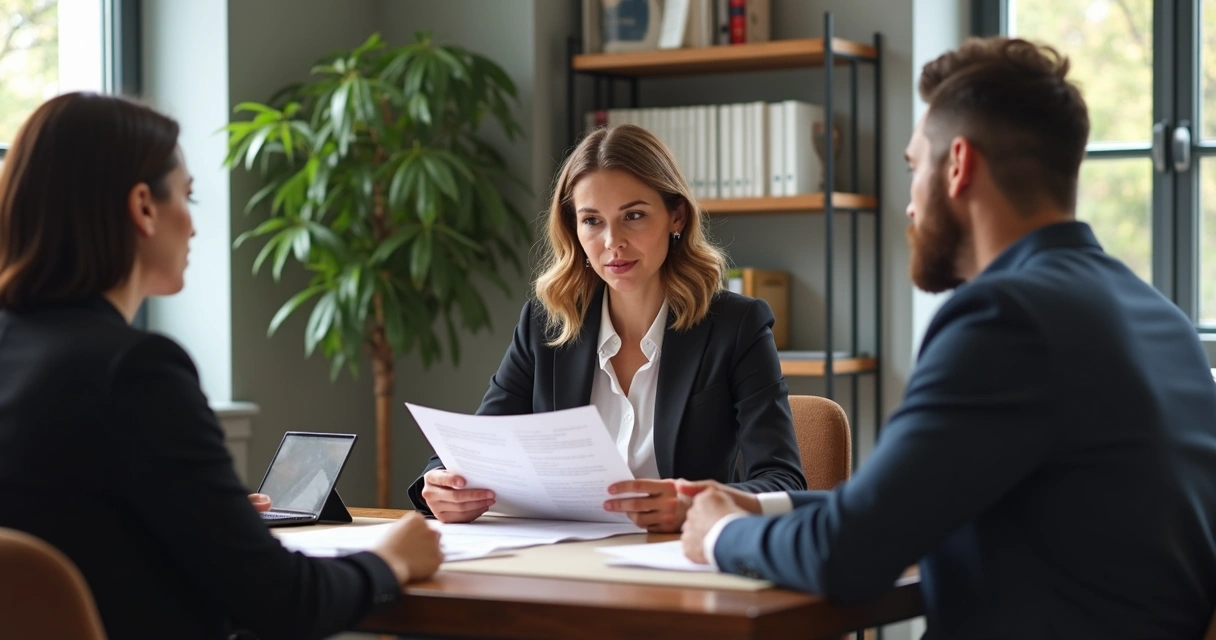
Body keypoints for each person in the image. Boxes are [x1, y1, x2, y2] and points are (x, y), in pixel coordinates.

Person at [679, 37, 1216, 638]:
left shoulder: (1003, 317)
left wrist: (721, 535)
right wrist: (757, 505)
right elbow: (905, 507)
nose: (909, 205)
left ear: (958, 165)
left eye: (914, 168)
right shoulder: (1159, 318)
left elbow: (851, 554)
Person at [0, 92, 443, 640]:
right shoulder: (135, 370)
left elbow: (85, 532)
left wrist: (214, 520)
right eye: (187, 197)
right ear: (142, 207)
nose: (192, 226)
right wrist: (390, 560)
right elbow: (285, 604)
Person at [408, 124, 806, 531]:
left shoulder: (736, 327)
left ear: (677, 216)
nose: (612, 242)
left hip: (678, 559)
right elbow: (478, 447)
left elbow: (783, 481)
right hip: (563, 560)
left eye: (633, 216)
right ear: (573, 230)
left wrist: (697, 504)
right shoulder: (545, 325)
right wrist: (442, 484)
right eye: (592, 221)